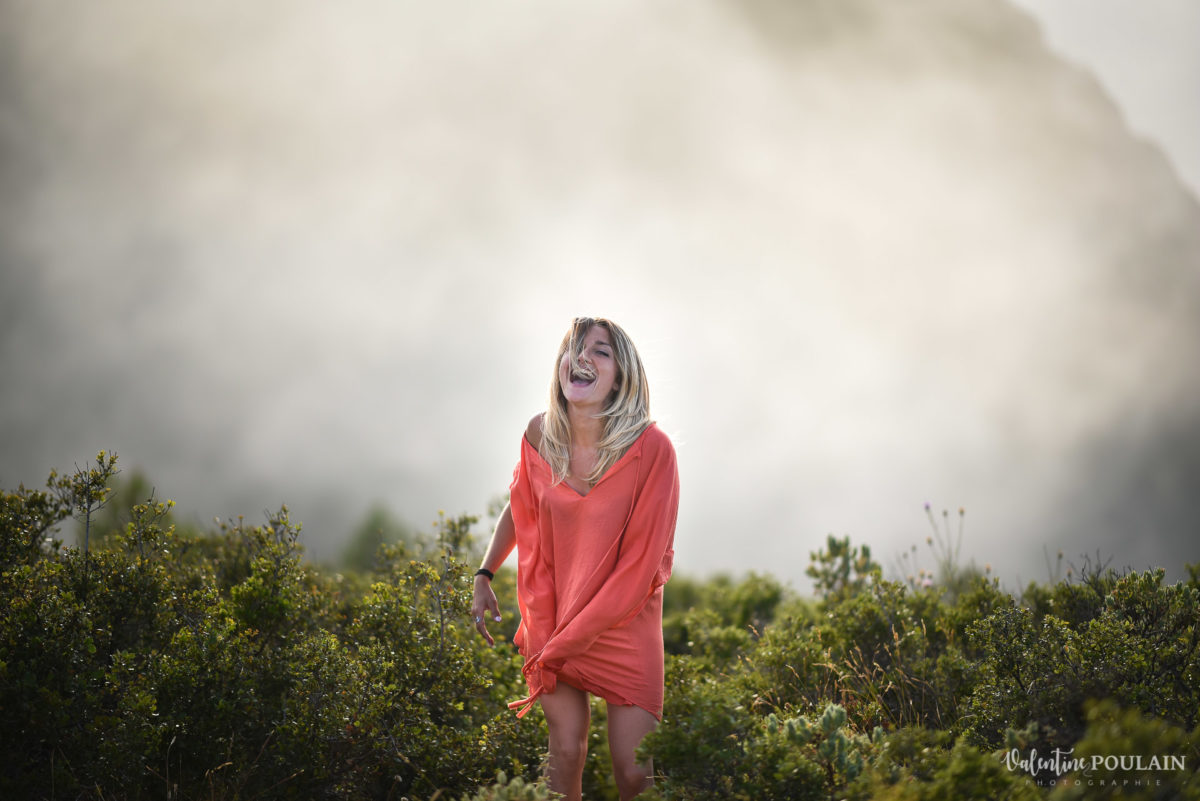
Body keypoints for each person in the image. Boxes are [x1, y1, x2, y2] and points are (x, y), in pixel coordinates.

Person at [471, 316, 680, 801]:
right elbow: (521, 503)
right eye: (574, 348)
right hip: (555, 618)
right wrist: (485, 571)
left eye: (600, 351)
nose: (581, 358)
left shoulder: (653, 450)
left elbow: (641, 567)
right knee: (564, 756)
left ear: (621, 378)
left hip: (624, 625)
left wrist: (576, 636)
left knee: (634, 775)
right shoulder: (540, 434)